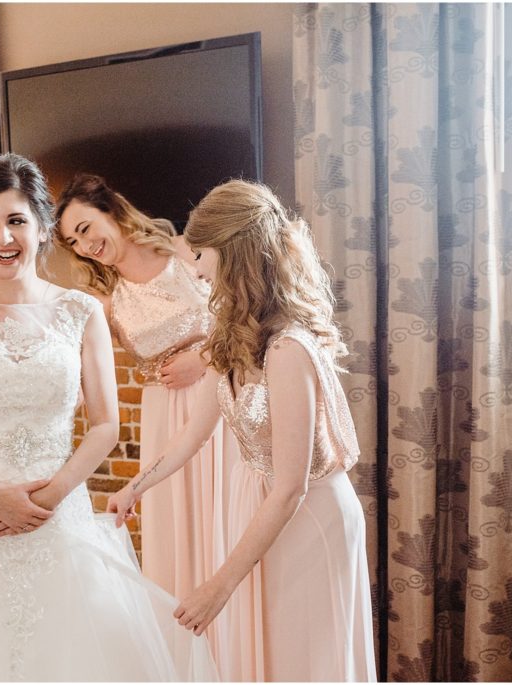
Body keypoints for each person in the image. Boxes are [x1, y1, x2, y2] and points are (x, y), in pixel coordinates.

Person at [0, 153, 217, 681]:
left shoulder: (81, 310)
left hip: (57, 513)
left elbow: (106, 425)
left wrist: (49, 496)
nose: (3, 237)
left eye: (17, 220)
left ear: (43, 230)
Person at [108, 180, 377, 681]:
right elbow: (194, 434)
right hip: (254, 506)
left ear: (234, 256)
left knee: (301, 660)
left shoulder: (288, 349)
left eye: (202, 257)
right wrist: (135, 488)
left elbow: (291, 486)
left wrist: (218, 586)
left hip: (305, 517)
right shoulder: (231, 334)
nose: (196, 270)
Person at [54, 176, 241, 670]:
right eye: (73, 241)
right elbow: (77, 366)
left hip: (220, 400)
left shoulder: (187, 254)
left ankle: (235, 656)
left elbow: (242, 316)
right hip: (163, 415)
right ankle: (188, 666)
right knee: (176, 533)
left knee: (227, 520)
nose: (85, 245)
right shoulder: (104, 300)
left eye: (85, 228)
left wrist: (203, 358)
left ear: (111, 209)